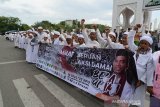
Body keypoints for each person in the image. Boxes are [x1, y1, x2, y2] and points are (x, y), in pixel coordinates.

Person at [127, 24, 154, 107]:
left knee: (138, 99)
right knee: (129, 97)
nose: (143, 45)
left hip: (140, 81)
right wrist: (134, 30)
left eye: (145, 44)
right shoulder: (135, 50)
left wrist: (142, 81)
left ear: (149, 45)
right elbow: (130, 40)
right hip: (131, 78)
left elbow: (149, 72)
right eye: (142, 43)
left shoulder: (150, 57)